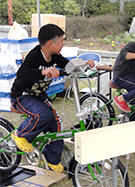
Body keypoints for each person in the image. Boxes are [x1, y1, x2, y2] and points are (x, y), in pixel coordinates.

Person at [10, 24, 94, 172]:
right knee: (44, 114)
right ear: (50, 43)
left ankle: (53, 160)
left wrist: (85, 64)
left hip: (39, 96)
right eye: (61, 41)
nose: (63, 45)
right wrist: (44, 72)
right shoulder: (35, 55)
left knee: (56, 124)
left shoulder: (55, 56)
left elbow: (68, 66)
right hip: (22, 96)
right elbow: (22, 73)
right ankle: (20, 135)